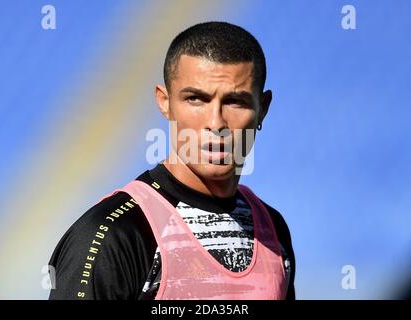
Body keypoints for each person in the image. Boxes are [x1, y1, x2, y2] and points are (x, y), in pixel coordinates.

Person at [48, 21, 295, 300]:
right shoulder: (113, 234)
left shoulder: (273, 231)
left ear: (262, 109)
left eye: (235, 102)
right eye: (195, 99)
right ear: (164, 102)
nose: (216, 122)